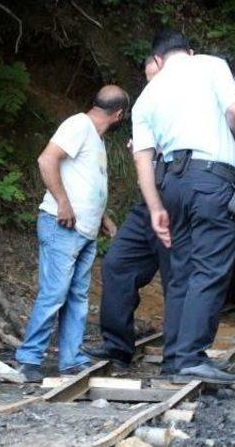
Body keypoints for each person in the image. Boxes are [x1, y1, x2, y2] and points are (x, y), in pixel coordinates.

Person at [132, 30, 235, 384]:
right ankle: (190, 357)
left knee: (180, 272)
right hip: (210, 180)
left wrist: (155, 208)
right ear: (190, 51)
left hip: (169, 184)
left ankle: (174, 358)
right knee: (210, 266)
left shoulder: (146, 96)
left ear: (158, 59)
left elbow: (142, 158)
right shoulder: (210, 65)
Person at [15, 85, 129, 382]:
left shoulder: (94, 137)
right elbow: (46, 159)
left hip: (83, 230)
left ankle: (71, 359)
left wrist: (102, 217)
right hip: (61, 224)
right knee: (54, 294)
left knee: (77, 296)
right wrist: (63, 203)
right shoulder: (78, 125)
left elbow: (84, 180)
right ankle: (28, 359)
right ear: (119, 114)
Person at [83, 55, 172, 368]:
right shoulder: (150, 107)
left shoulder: (195, 102)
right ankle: (118, 346)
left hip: (181, 197)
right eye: (148, 78)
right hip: (148, 202)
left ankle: (179, 354)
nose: (152, 83)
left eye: (156, 76)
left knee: (178, 276)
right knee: (118, 264)